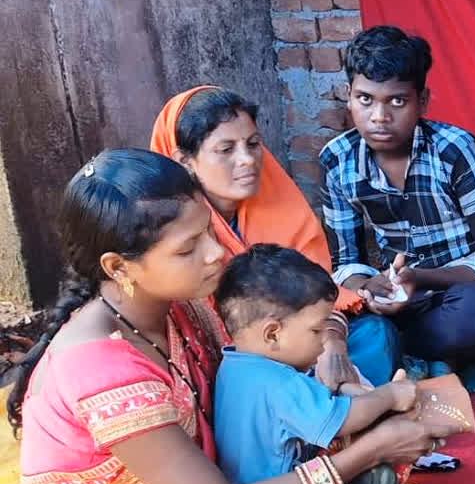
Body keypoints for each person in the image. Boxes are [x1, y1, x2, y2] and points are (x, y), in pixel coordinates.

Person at [9, 149, 460, 484]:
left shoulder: (184, 304)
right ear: (119, 268)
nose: (215, 254)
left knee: (359, 411)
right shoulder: (103, 373)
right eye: (188, 247)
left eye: (209, 231)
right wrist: (367, 453)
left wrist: (333, 346)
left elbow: (310, 308)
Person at [213, 244, 473, 484]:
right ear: (272, 334)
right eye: (317, 330)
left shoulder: (239, 366)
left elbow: (320, 402)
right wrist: (389, 395)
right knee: (373, 466)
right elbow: (344, 419)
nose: (326, 340)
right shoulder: (279, 383)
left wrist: (358, 393)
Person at [150, 86, 403, 388]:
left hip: (301, 340)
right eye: (226, 149)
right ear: (183, 161)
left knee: (374, 334)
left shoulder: (279, 204)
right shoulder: (172, 228)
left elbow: (319, 296)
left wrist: (331, 344)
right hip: (234, 364)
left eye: (253, 144)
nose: (247, 160)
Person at [320, 25, 475, 369]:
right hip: (392, 300)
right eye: (365, 99)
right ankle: (407, 346)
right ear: (349, 95)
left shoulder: (457, 151)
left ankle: (396, 348)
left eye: (396, 101)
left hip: (457, 294)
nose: (379, 117)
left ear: (422, 102)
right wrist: (371, 287)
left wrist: (419, 279)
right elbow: (345, 263)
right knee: (331, 319)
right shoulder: (337, 160)